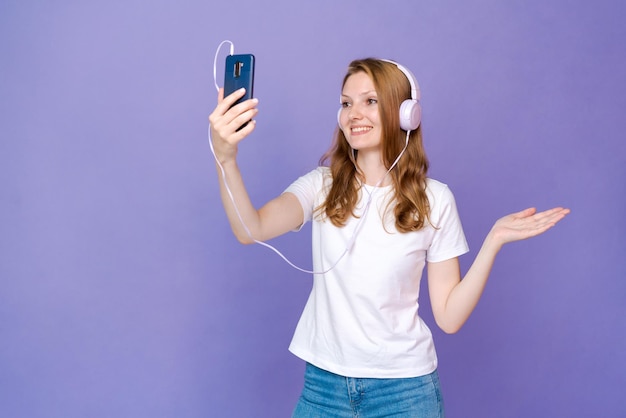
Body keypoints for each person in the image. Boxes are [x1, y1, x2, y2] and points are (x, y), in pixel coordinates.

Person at [208, 58, 570, 418]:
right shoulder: (321, 186)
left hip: (405, 393)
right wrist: (226, 159)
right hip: (324, 388)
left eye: (370, 101)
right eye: (346, 103)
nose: (354, 113)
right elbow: (249, 228)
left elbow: (449, 317)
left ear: (405, 113)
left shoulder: (435, 200)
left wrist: (493, 240)